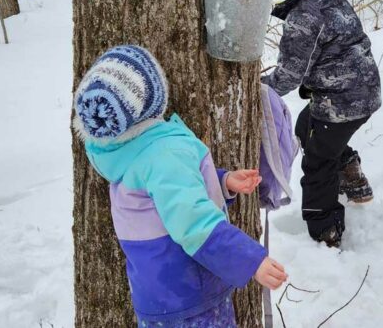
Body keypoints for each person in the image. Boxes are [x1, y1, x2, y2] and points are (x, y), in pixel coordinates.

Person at [73, 45, 287, 327]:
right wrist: (250, 261)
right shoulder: (164, 154)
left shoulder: (125, 152)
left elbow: (166, 197)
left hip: (160, 300)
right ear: (152, 99)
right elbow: (195, 224)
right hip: (191, 300)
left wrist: (222, 181)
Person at [262, 0, 382, 248]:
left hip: (340, 101)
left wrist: (258, 91)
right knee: (307, 127)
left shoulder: (304, 16)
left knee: (317, 160)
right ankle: (351, 173)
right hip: (364, 92)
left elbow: (290, 74)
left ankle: (325, 229)